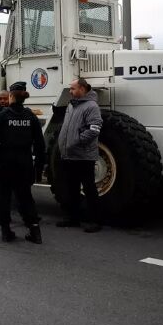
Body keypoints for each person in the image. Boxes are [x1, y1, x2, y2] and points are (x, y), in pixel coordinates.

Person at [0, 82, 44, 244]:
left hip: (5, 162)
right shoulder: (31, 116)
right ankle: (35, 231)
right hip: (24, 162)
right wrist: (39, 166)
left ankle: (6, 231)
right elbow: (40, 144)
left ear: (11, 96)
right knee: (25, 196)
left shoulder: (1, 117)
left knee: (3, 196)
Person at [56, 78, 103, 233]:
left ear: (82, 89)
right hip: (69, 155)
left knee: (89, 189)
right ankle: (73, 218)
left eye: (73, 88)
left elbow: (94, 129)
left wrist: (76, 141)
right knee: (72, 188)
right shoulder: (71, 105)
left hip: (83, 156)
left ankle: (95, 221)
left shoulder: (91, 106)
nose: (70, 91)